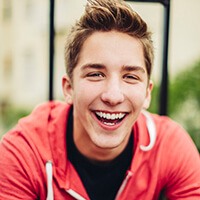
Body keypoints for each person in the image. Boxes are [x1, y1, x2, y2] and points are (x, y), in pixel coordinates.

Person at [0, 0, 200, 199]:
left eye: (130, 77)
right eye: (96, 74)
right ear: (69, 88)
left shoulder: (169, 145)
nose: (113, 96)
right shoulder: (22, 152)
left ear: (147, 93)